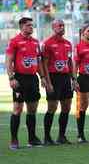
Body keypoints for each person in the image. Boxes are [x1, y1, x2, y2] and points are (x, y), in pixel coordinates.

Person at [6, 16, 47, 149]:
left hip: (33, 78)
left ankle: (32, 139)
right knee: (17, 109)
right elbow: (9, 60)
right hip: (20, 78)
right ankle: (14, 140)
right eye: (29, 25)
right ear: (22, 26)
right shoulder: (14, 41)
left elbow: (39, 61)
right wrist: (11, 78)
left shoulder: (36, 42)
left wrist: (42, 77)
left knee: (32, 109)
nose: (31, 27)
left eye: (32, 25)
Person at [41, 19, 73, 145]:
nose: (62, 27)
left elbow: (70, 62)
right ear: (53, 28)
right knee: (52, 107)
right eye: (59, 26)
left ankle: (61, 136)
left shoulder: (68, 44)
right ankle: (47, 137)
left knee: (66, 107)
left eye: (63, 25)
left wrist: (73, 79)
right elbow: (44, 64)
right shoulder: (48, 43)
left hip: (65, 77)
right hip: (53, 77)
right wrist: (48, 82)